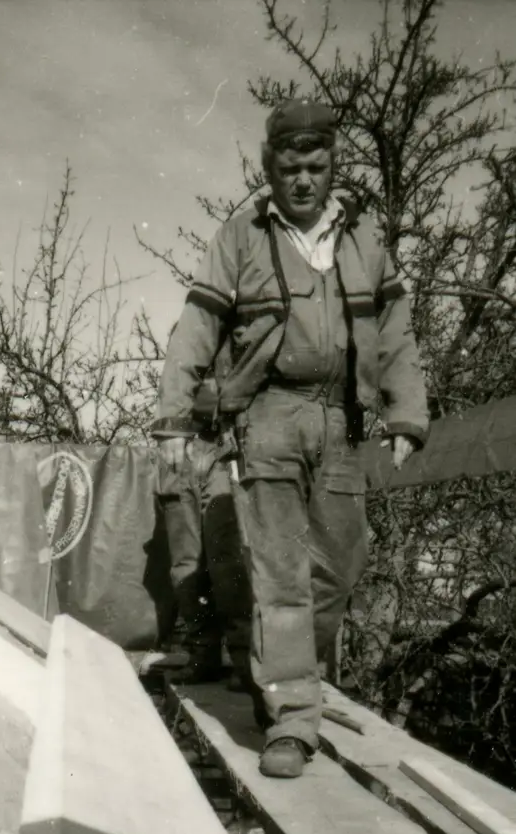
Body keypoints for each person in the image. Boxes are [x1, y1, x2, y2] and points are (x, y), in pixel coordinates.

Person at [153, 98, 429, 778]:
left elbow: (394, 332)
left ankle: (278, 669)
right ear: (268, 167)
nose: (303, 180)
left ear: (334, 164)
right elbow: (196, 327)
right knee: (280, 572)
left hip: (342, 418)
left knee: (337, 565)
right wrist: (173, 416)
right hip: (270, 415)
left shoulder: (363, 235)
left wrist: (406, 417)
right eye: (289, 167)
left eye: (316, 165)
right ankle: (293, 719)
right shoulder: (242, 234)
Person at [155, 338, 253, 688]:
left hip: (222, 452)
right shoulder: (185, 338)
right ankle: (202, 656)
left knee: (228, 563)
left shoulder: (239, 339)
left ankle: (246, 663)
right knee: (186, 566)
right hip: (180, 452)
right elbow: (175, 391)